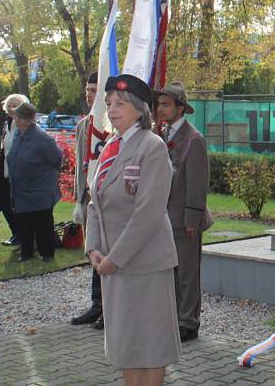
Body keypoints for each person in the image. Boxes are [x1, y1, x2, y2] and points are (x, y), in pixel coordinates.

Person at [86, 74, 180, 385]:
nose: (112, 109)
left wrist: (116, 258)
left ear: (139, 110)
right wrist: (93, 249)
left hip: (145, 263)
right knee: (126, 339)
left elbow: (148, 213)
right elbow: (94, 202)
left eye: (120, 104)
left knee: (151, 342)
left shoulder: (151, 147)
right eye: (109, 103)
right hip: (113, 264)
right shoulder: (109, 146)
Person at [155, 81, 213, 343]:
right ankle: (174, 316)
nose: (160, 109)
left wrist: (192, 218)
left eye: (166, 104)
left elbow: (197, 183)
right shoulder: (163, 135)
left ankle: (188, 322)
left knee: (188, 274)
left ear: (180, 108)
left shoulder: (193, 139)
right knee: (171, 271)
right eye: (159, 104)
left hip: (184, 219)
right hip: (165, 218)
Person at [7, 102, 63, 262]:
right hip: (22, 190)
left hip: (40, 190)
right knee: (24, 222)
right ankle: (26, 253)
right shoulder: (19, 134)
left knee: (42, 222)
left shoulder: (41, 138)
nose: (14, 119)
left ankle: (47, 254)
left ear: (25, 119)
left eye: (16, 116)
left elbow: (57, 159)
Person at [71, 73, 105, 329]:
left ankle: (109, 306)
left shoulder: (109, 123)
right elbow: (80, 166)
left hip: (106, 200)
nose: (89, 94)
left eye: (94, 89)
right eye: (87, 89)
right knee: (92, 250)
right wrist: (77, 199)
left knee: (108, 251)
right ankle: (97, 304)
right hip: (88, 197)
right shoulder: (84, 124)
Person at [0, 93, 30, 247]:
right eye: (10, 105)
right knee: (3, 203)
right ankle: (16, 233)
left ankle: (23, 236)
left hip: (20, 173)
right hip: (6, 172)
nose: (12, 108)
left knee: (19, 206)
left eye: (16, 105)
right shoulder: (6, 124)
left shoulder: (25, 125)